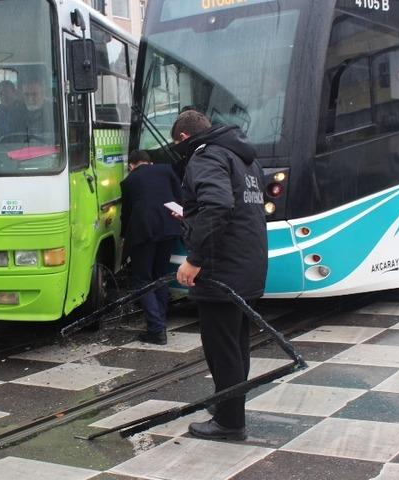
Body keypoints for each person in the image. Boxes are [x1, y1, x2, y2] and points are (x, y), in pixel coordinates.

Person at [171, 110, 268, 441]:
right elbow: (240, 207)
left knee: (221, 347)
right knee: (237, 345)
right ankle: (228, 406)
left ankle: (229, 423)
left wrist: (195, 258)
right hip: (249, 265)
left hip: (221, 268)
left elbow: (218, 206)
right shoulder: (246, 160)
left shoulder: (206, 156)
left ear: (184, 138)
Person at [120, 150, 183, 345]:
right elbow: (179, 197)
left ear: (131, 165)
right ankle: (160, 321)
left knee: (142, 279)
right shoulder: (167, 170)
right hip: (169, 228)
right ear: (150, 162)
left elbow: (127, 213)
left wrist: (124, 238)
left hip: (143, 232)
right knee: (160, 275)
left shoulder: (129, 181)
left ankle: (156, 329)